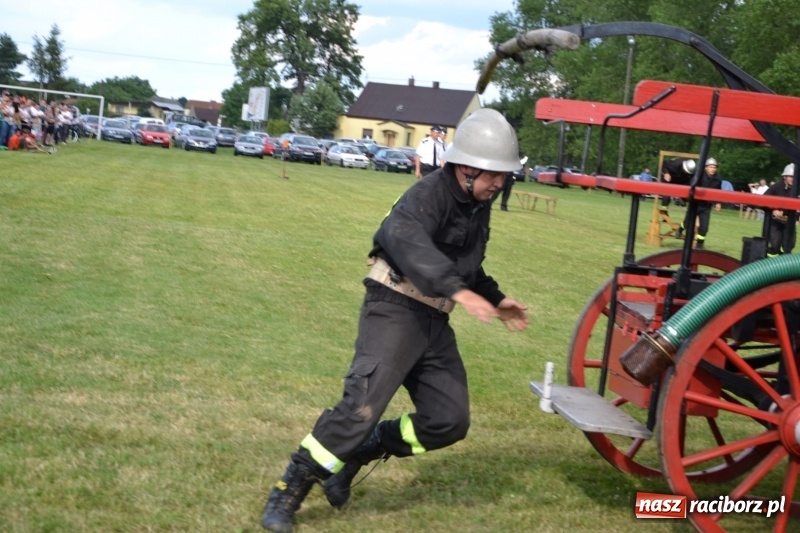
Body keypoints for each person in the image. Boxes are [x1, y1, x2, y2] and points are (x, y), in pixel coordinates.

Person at [260, 108, 530, 533]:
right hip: (394, 306)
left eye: (503, 174)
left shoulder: (478, 206)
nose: (499, 183)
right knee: (360, 409)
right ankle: (288, 490)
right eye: (492, 173)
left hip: (433, 320)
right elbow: (405, 243)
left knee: (448, 420)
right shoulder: (426, 195)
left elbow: (467, 266)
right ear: (464, 168)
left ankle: (361, 453)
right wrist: (458, 291)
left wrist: (495, 299)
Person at [675, 157, 722, 249]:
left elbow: (719, 192)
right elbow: (690, 188)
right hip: (695, 204)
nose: (713, 169)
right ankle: (680, 229)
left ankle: (699, 245)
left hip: (706, 206)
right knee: (688, 222)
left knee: (704, 227)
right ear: (706, 167)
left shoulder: (718, 179)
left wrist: (718, 202)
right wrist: (683, 199)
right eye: (711, 167)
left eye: (714, 167)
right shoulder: (698, 177)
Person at [763, 164, 797, 257]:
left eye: (794, 177)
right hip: (776, 222)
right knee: (775, 245)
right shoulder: (776, 187)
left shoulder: (798, 189)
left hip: (790, 221)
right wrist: (774, 210)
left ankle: (783, 263)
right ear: (785, 177)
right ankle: (768, 264)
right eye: (790, 176)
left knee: (789, 245)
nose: (792, 179)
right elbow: (763, 200)